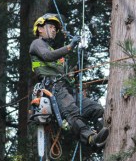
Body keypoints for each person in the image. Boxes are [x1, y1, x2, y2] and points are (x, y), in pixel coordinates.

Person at [29, 13, 109, 150]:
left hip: (66, 88)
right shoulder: (37, 44)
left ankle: (102, 134)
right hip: (54, 89)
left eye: (55, 28)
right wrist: (69, 47)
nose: (54, 30)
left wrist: (74, 68)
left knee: (96, 109)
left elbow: (63, 71)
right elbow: (47, 56)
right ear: (40, 29)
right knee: (72, 113)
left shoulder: (53, 51)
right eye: (50, 26)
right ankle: (90, 139)